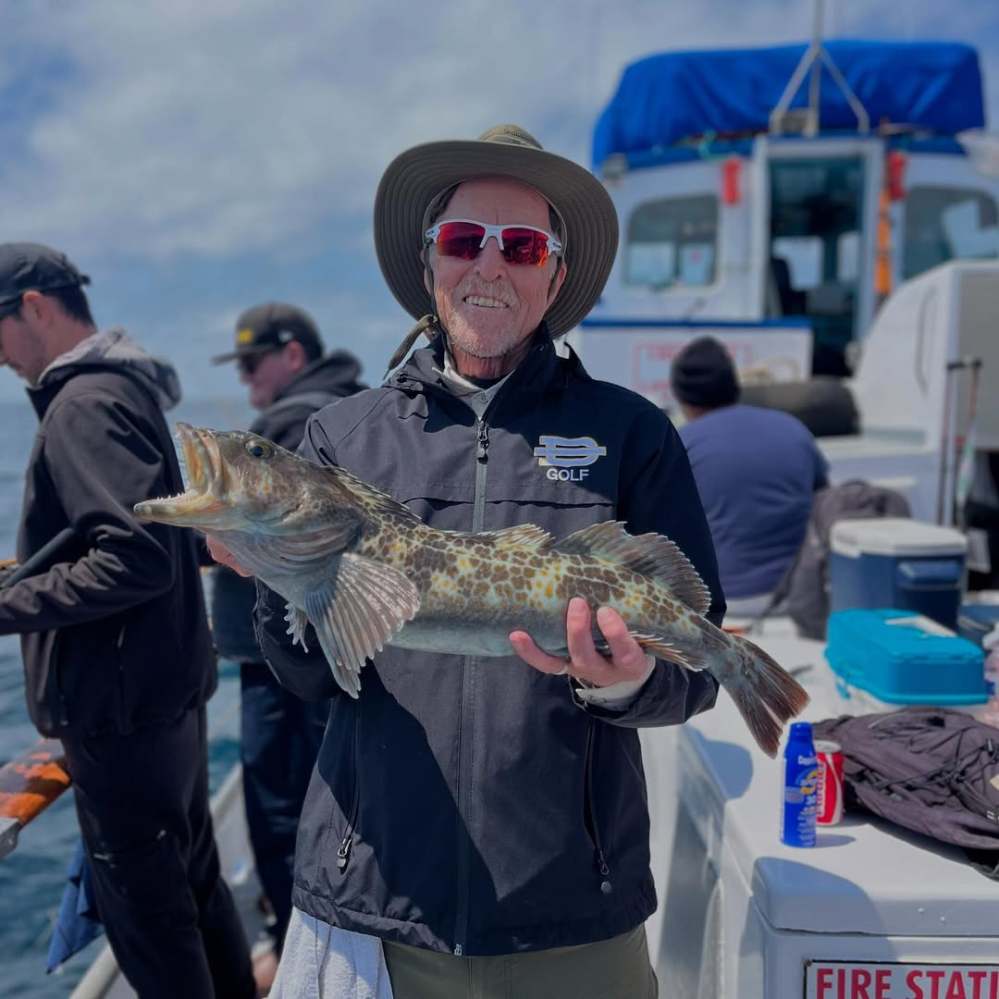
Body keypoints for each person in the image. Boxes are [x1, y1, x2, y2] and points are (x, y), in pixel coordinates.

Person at [210, 125, 726, 999]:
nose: (489, 266)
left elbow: (695, 669)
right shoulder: (342, 435)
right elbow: (303, 677)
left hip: (573, 914)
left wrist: (624, 681)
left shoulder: (630, 433)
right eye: (462, 240)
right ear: (429, 264)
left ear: (554, 275)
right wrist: (272, 571)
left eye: (521, 245)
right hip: (376, 897)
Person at [0, 243, 255, 998]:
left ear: (36, 307)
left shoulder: (81, 405)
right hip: (165, 699)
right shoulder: (127, 390)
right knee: (197, 892)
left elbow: (135, 557)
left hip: (119, 716)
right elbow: (155, 537)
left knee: (152, 924)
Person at [209, 302, 366, 968]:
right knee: (340, 794)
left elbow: (259, 531)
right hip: (342, 644)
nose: (247, 382)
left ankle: (296, 947)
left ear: (293, 355)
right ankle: (351, 934)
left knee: (278, 803)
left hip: (280, 655)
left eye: (252, 364)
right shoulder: (357, 410)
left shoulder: (281, 425)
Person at [670, 336, 829, 616]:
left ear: (682, 398)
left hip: (721, 604)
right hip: (797, 596)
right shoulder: (793, 428)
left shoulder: (680, 444)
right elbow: (824, 499)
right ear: (734, 386)